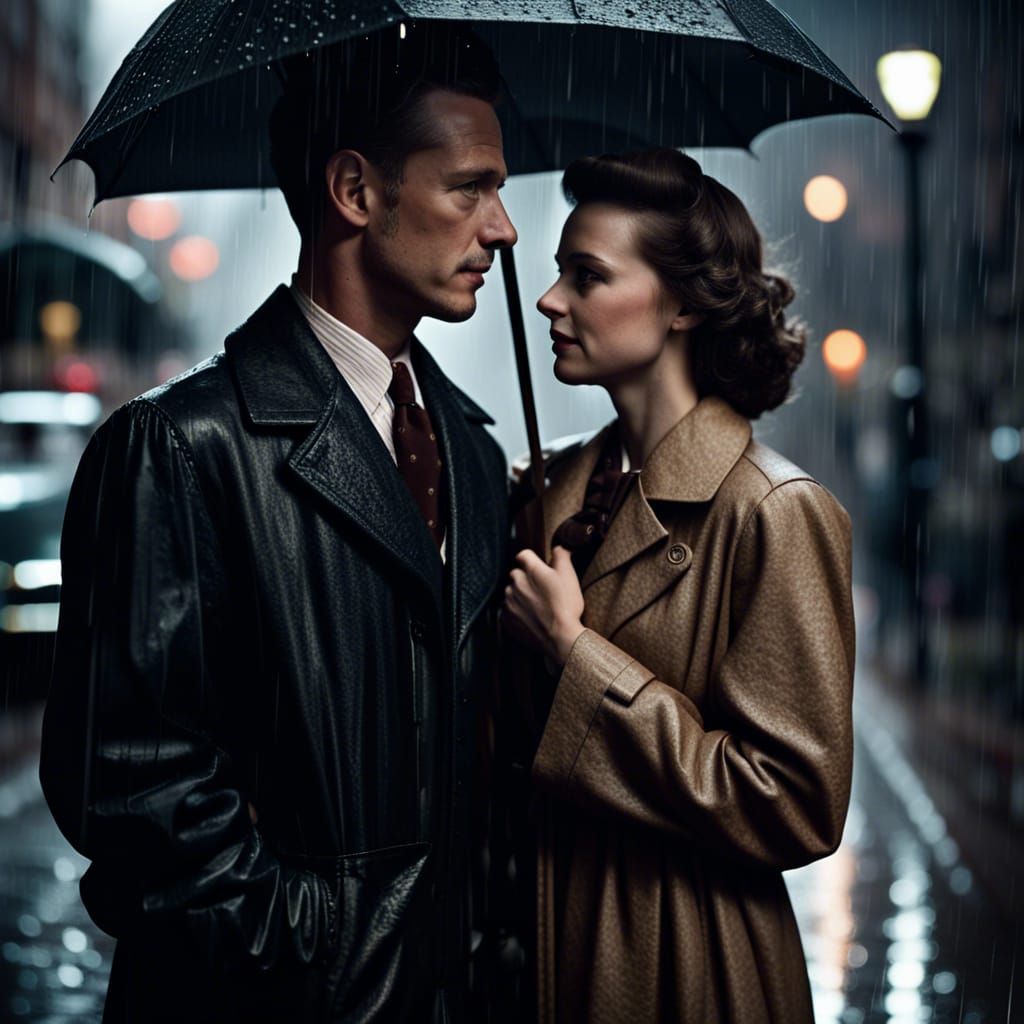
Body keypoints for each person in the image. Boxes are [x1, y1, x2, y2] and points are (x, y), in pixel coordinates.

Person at [40, 24, 516, 1024]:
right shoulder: (178, 447)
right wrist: (311, 939)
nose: (503, 228)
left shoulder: (471, 454)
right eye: (469, 188)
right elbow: (128, 786)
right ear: (354, 191)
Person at [502, 148, 855, 1023]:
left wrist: (574, 651)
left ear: (687, 305)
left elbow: (795, 804)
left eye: (588, 278)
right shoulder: (549, 495)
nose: (552, 301)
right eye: (557, 275)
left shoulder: (774, 511)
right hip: (538, 953)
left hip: (685, 964)